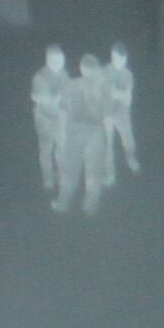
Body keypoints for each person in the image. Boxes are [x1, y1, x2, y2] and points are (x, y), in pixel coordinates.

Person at [56, 56, 114, 215]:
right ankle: (90, 207)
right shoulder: (104, 88)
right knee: (94, 172)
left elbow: (62, 113)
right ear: (96, 70)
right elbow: (108, 117)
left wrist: (62, 135)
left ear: (82, 68)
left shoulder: (71, 85)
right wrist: (109, 140)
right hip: (96, 133)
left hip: (74, 131)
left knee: (70, 170)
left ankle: (62, 204)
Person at [30, 46, 70, 191]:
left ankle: (61, 176)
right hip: (44, 119)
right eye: (58, 60)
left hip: (60, 118)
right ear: (49, 60)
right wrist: (54, 99)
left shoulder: (64, 74)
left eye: (62, 60)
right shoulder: (39, 76)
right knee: (46, 149)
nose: (61, 62)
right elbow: (35, 97)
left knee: (62, 148)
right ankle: (48, 180)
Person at [102, 42, 138, 173]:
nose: (119, 62)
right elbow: (110, 92)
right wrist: (121, 95)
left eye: (122, 59)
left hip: (122, 113)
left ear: (126, 58)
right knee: (107, 142)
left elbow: (128, 98)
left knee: (128, 138)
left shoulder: (128, 74)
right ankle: (109, 171)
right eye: (116, 59)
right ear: (112, 57)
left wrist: (121, 95)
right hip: (107, 113)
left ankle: (130, 157)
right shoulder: (105, 72)